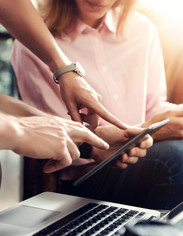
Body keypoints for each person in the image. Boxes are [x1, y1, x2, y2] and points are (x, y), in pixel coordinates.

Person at [11, 0, 183, 209]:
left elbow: (154, 106)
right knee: (175, 157)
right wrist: (150, 130)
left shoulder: (142, 29)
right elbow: (53, 135)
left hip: (146, 159)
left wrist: (172, 118)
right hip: (85, 177)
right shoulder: (33, 42)